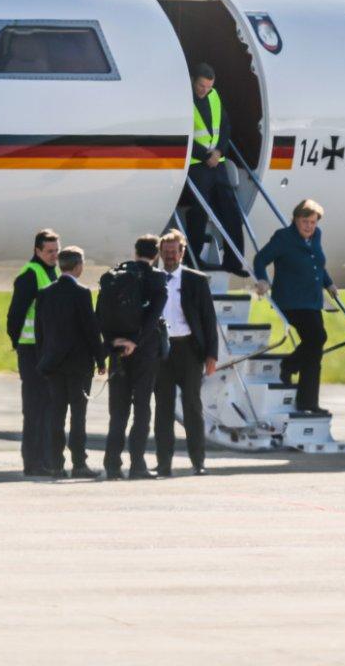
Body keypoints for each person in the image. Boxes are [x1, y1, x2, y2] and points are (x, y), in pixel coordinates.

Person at [252, 199, 339, 415]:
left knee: (314, 351)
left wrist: (328, 283)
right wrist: (262, 280)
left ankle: (308, 402)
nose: (309, 226)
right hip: (291, 300)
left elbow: (317, 263)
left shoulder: (316, 236)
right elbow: (260, 260)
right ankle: (288, 366)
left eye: (313, 222)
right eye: (304, 221)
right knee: (317, 338)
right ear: (295, 220)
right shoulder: (283, 238)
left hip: (311, 300)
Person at [98, 235, 168, 480]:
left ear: (135, 251)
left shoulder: (114, 277)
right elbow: (153, 317)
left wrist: (113, 342)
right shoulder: (156, 279)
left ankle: (112, 464)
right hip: (144, 353)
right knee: (141, 409)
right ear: (156, 254)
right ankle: (137, 464)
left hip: (117, 351)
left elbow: (101, 313)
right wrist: (135, 342)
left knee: (118, 411)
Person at [34, 246, 107, 479]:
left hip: (53, 364)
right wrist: (100, 359)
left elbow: (39, 331)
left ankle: (56, 464)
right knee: (78, 415)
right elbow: (90, 329)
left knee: (56, 414)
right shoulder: (82, 293)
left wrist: (43, 357)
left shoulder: (45, 293)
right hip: (78, 366)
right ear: (78, 266)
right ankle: (79, 464)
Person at [154, 229, 218, 477]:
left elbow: (208, 319)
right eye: (166, 252)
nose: (170, 256)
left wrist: (211, 354)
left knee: (192, 406)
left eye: (174, 252)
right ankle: (163, 463)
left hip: (189, 349)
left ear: (182, 253)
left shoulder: (196, 280)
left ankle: (198, 461)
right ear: (160, 253)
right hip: (162, 350)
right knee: (163, 409)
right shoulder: (152, 278)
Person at [184, 62, 248, 277]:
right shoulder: (184, 98)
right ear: (194, 80)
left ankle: (235, 260)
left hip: (216, 161)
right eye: (201, 86)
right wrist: (205, 156)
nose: (204, 90)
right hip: (196, 164)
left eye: (208, 87)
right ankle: (193, 259)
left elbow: (225, 127)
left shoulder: (214, 95)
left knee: (230, 209)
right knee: (199, 211)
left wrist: (219, 152)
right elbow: (184, 134)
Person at [5, 228, 60, 477]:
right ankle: (33, 462)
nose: (54, 256)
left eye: (56, 251)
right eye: (49, 251)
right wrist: (18, 344)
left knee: (49, 407)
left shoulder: (52, 272)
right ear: (37, 251)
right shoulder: (30, 275)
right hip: (31, 350)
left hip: (46, 350)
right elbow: (15, 315)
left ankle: (47, 460)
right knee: (34, 408)